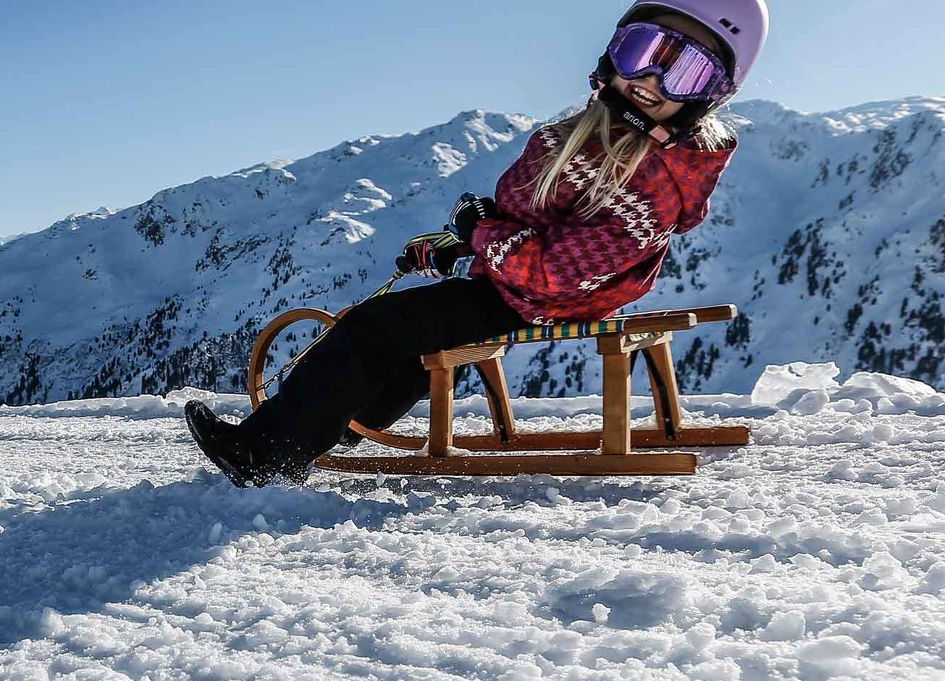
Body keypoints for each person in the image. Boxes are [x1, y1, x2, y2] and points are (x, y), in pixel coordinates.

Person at [186, 0, 770, 488]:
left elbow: (552, 275)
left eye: (684, 71)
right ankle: (338, 418)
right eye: (643, 53)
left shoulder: (647, 184)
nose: (650, 81)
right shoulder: (594, 138)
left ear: (710, 94)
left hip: (533, 299)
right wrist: (461, 245)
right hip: (512, 285)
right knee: (407, 340)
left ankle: (270, 453)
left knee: (374, 327)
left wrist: (480, 234)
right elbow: (532, 227)